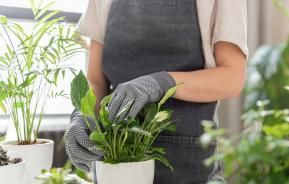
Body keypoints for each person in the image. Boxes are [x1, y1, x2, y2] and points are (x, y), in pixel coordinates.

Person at [64, 0, 248, 183]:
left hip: (188, 168)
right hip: (114, 168)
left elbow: (232, 78)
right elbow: (96, 80)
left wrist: (163, 82)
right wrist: (83, 114)